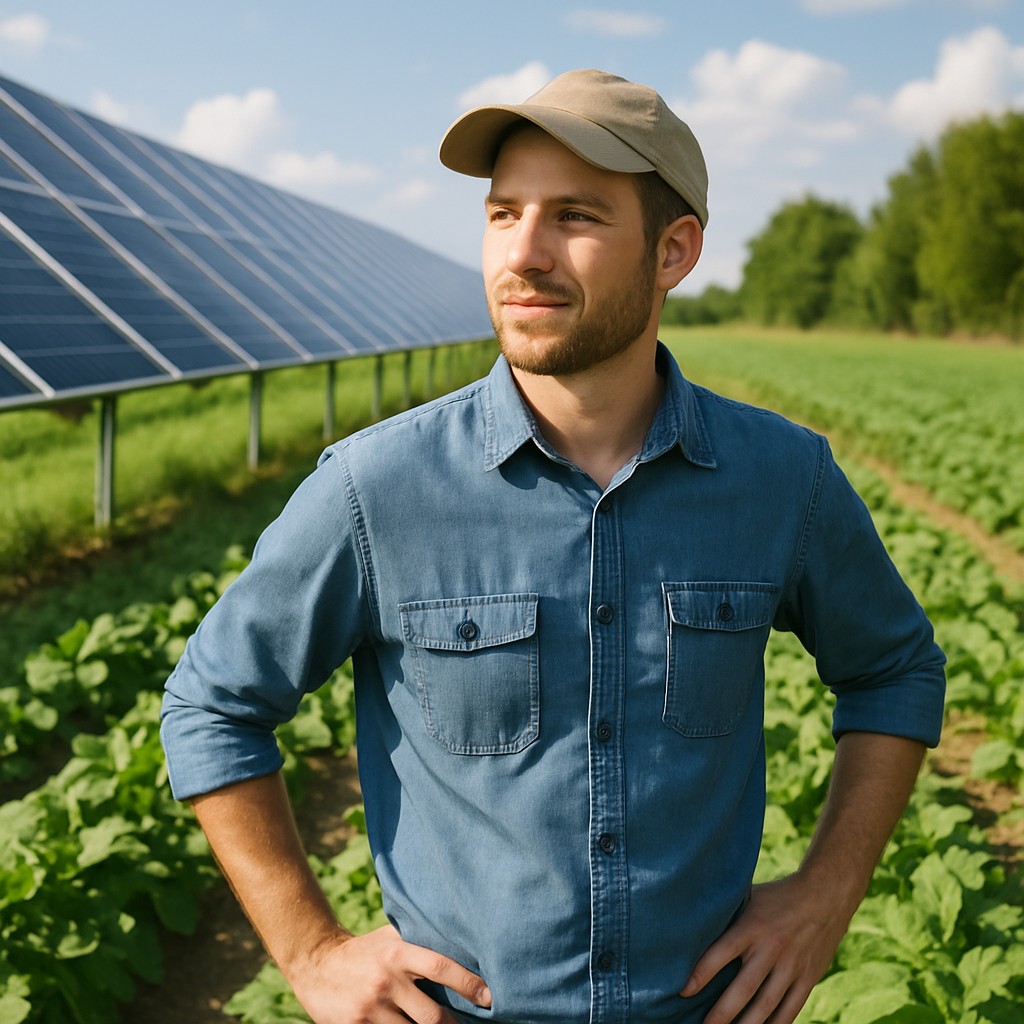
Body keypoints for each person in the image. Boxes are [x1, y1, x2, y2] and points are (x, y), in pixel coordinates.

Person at [160, 68, 946, 1024]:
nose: (523, 254)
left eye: (574, 215)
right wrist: (313, 950)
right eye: (503, 213)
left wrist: (827, 894)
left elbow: (895, 668)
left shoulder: (785, 481)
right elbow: (212, 702)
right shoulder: (379, 488)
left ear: (674, 251)